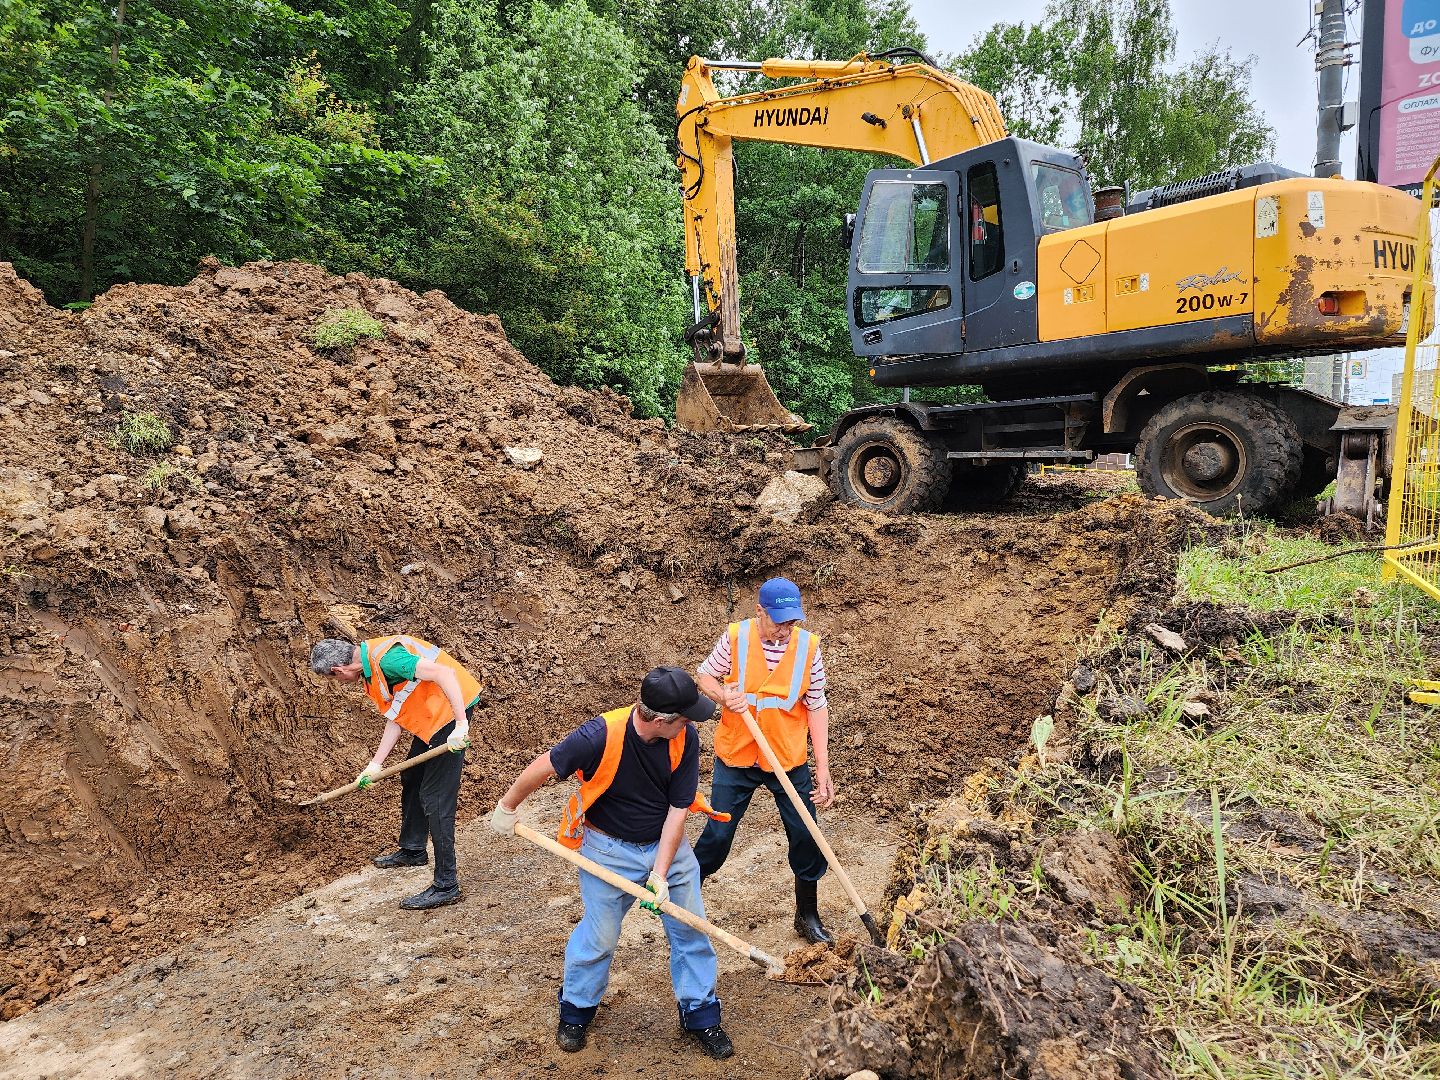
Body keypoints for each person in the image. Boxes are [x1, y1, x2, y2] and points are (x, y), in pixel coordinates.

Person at [487, 667, 734, 1060]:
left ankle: (700, 1014)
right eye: (685, 716)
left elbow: (677, 810)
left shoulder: (684, 738)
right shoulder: (600, 735)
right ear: (660, 719)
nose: (691, 722)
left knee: (691, 930)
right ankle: (576, 1010)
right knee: (599, 936)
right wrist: (507, 806)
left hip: (666, 845)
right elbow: (546, 764)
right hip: (608, 849)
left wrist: (660, 873)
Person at [692, 576, 836, 944]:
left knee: (806, 834)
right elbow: (705, 675)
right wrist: (723, 695)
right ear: (759, 611)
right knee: (718, 833)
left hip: (787, 758)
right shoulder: (737, 638)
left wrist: (822, 768)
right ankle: (684, 899)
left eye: (792, 621)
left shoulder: (808, 648)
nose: (786, 629)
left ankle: (807, 916)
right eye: (779, 621)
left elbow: (815, 706)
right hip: (737, 755)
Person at [309, 634, 481, 911]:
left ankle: (447, 884)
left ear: (339, 670)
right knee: (412, 776)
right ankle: (413, 849)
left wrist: (461, 726)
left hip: (450, 714)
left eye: (335, 679)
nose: (339, 683)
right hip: (433, 715)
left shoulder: (388, 660)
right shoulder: (371, 670)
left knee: (435, 797)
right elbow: (397, 718)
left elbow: (444, 673)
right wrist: (375, 764)